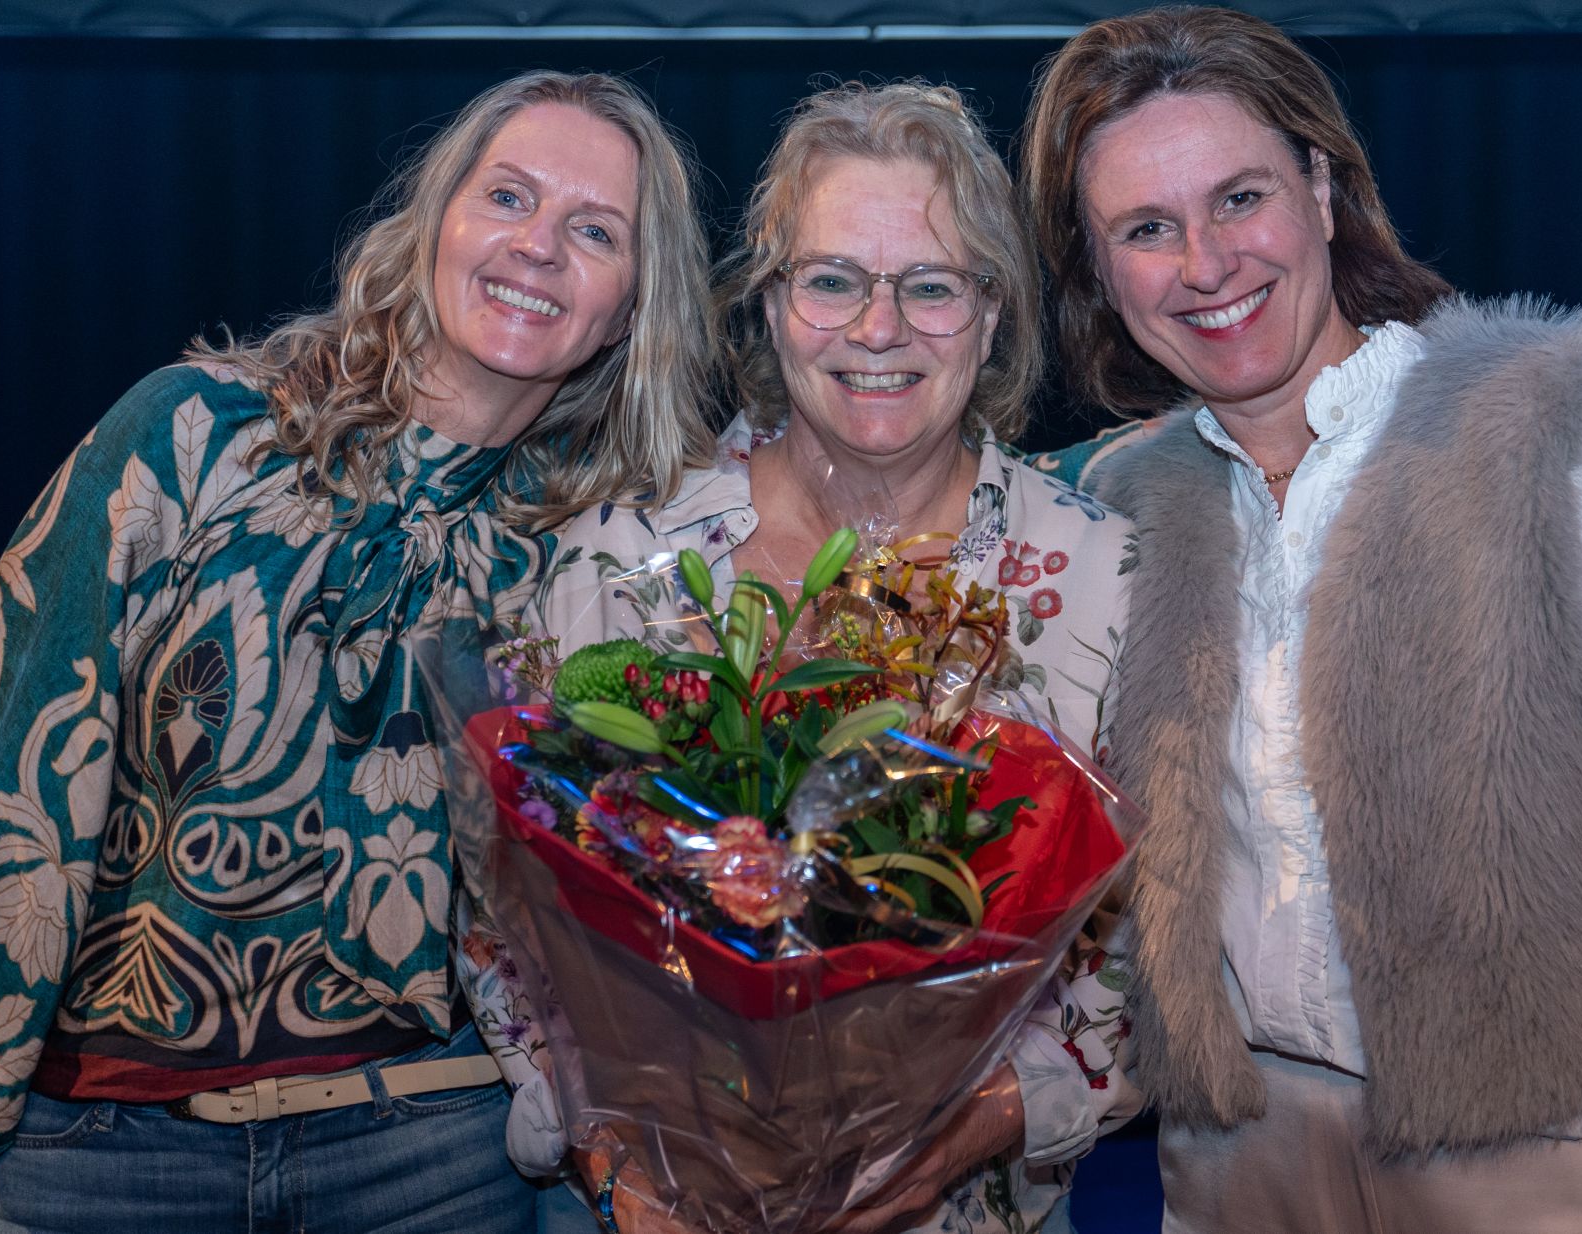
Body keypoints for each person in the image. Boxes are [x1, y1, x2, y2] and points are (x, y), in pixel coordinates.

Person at [1019, 7, 1582, 1234]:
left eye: (1240, 198)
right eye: (1146, 228)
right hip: (1239, 1163)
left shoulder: (1547, 436)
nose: (1205, 262)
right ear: (1097, 271)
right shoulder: (1128, 509)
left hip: (1542, 1158)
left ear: (1322, 188)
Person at [0, 68, 712, 1234]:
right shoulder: (192, 435)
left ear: (633, 306)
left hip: (434, 1156)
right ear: (435, 220)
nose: (538, 245)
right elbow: (1, 783)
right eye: (507, 196)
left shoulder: (594, 550)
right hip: (103, 1157)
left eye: (594, 230)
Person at [462, 80, 1140, 1234]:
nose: (879, 329)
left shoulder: (1104, 580)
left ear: (993, 314)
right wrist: (615, 1161)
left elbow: (1161, 949)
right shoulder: (617, 558)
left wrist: (974, 1126)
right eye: (831, 280)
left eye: (932, 285)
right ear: (769, 305)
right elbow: (499, 910)